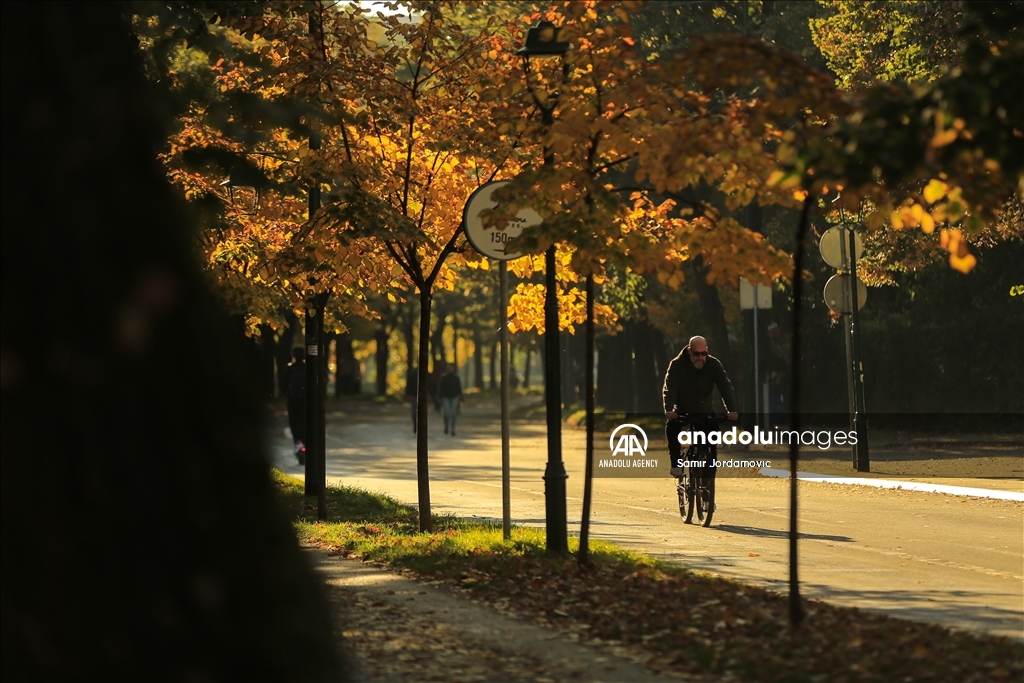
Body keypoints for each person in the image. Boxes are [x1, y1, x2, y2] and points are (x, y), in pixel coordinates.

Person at [662, 336, 739, 478]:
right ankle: (676, 463)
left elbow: (725, 386)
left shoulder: (713, 364)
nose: (700, 357)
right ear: (689, 351)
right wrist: (670, 409)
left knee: (712, 443)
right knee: (672, 427)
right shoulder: (677, 365)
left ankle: (707, 488)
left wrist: (732, 409)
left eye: (704, 354)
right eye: (697, 354)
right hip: (682, 411)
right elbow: (670, 389)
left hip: (705, 412)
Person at [283, 348, 307, 461]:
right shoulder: (308, 367)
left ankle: (298, 443)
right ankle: (305, 443)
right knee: (305, 421)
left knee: (294, 422)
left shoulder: (289, 368)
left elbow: (284, 384)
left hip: (292, 399)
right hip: (306, 400)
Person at [438, 363, 464, 436]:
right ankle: (446, 425)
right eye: (448, 368)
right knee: (446, 413)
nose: (450, 369)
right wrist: (439, 397)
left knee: (453, 414)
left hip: (454, 397)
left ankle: (453, 429)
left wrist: (461, 398)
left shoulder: (456, 378)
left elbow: (459, 388)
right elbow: (440, 388)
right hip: (445, 397)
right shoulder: (443, 377)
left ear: (454, 369)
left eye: (451, 368)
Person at [405, 365, 418, 433]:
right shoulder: (412, 373)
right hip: (414, 394)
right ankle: (415, 425)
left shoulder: (426, 373)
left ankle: (419, 426)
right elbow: (409, 383)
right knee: (414, 412)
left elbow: (430, 384)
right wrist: (408, 394)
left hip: (423, 395)